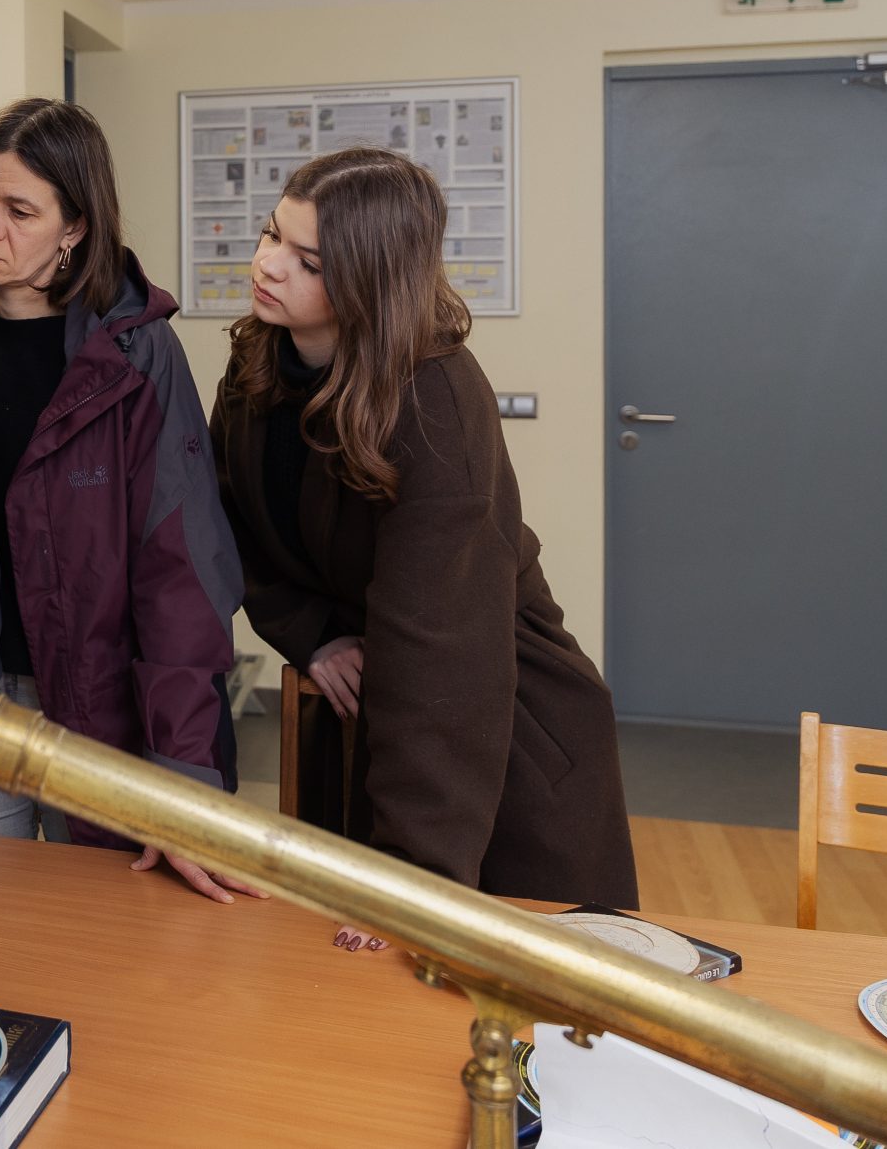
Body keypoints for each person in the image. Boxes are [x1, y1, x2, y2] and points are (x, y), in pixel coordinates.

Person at [210, 146, 636, 933]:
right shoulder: (257, 361)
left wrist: (415, 877)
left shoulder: (436, 401)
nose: (268, 264)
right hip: (374, 699)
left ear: (370, 280)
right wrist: (313, 633)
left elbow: (445, 654)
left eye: (307, 260)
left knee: (492, 975)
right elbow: (230, 519)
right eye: (272, 234)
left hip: (485, 728)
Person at [0, 99, 255, 904]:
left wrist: (183, 775)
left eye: (19, 210)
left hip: (105, 709)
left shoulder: (137, 353)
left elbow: (180, 573)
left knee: (113, 938)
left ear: (75, 224)